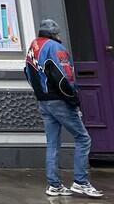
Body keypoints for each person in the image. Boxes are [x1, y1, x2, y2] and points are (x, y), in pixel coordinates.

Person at [25, 18, 103, 197]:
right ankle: (80, 182)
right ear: (54, 33)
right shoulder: (55, 47)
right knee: (83, 138)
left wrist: (41, 94)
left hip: (43, 101)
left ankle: (54, 185)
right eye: (57, 33)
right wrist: (73, 99)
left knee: (53, 143)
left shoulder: (33, 47)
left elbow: (27, 73)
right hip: (59, 101)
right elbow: (64, 77)